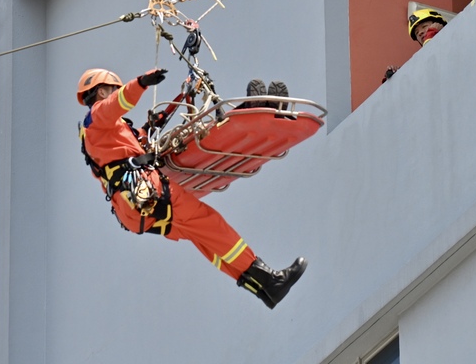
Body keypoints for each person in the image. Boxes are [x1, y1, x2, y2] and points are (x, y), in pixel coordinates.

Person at [76, 67, 306, 309]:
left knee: (204, 236)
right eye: (113, 89)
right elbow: (119, 102)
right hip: (147, 195)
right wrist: (141, 82)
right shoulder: (97, 116)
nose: (116, 93)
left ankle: (265, 289)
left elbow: (135, 143)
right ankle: (270, 278)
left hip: (135, 209)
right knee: (211, 224)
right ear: (101, 91)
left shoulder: (103, 133)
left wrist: (176, 100)